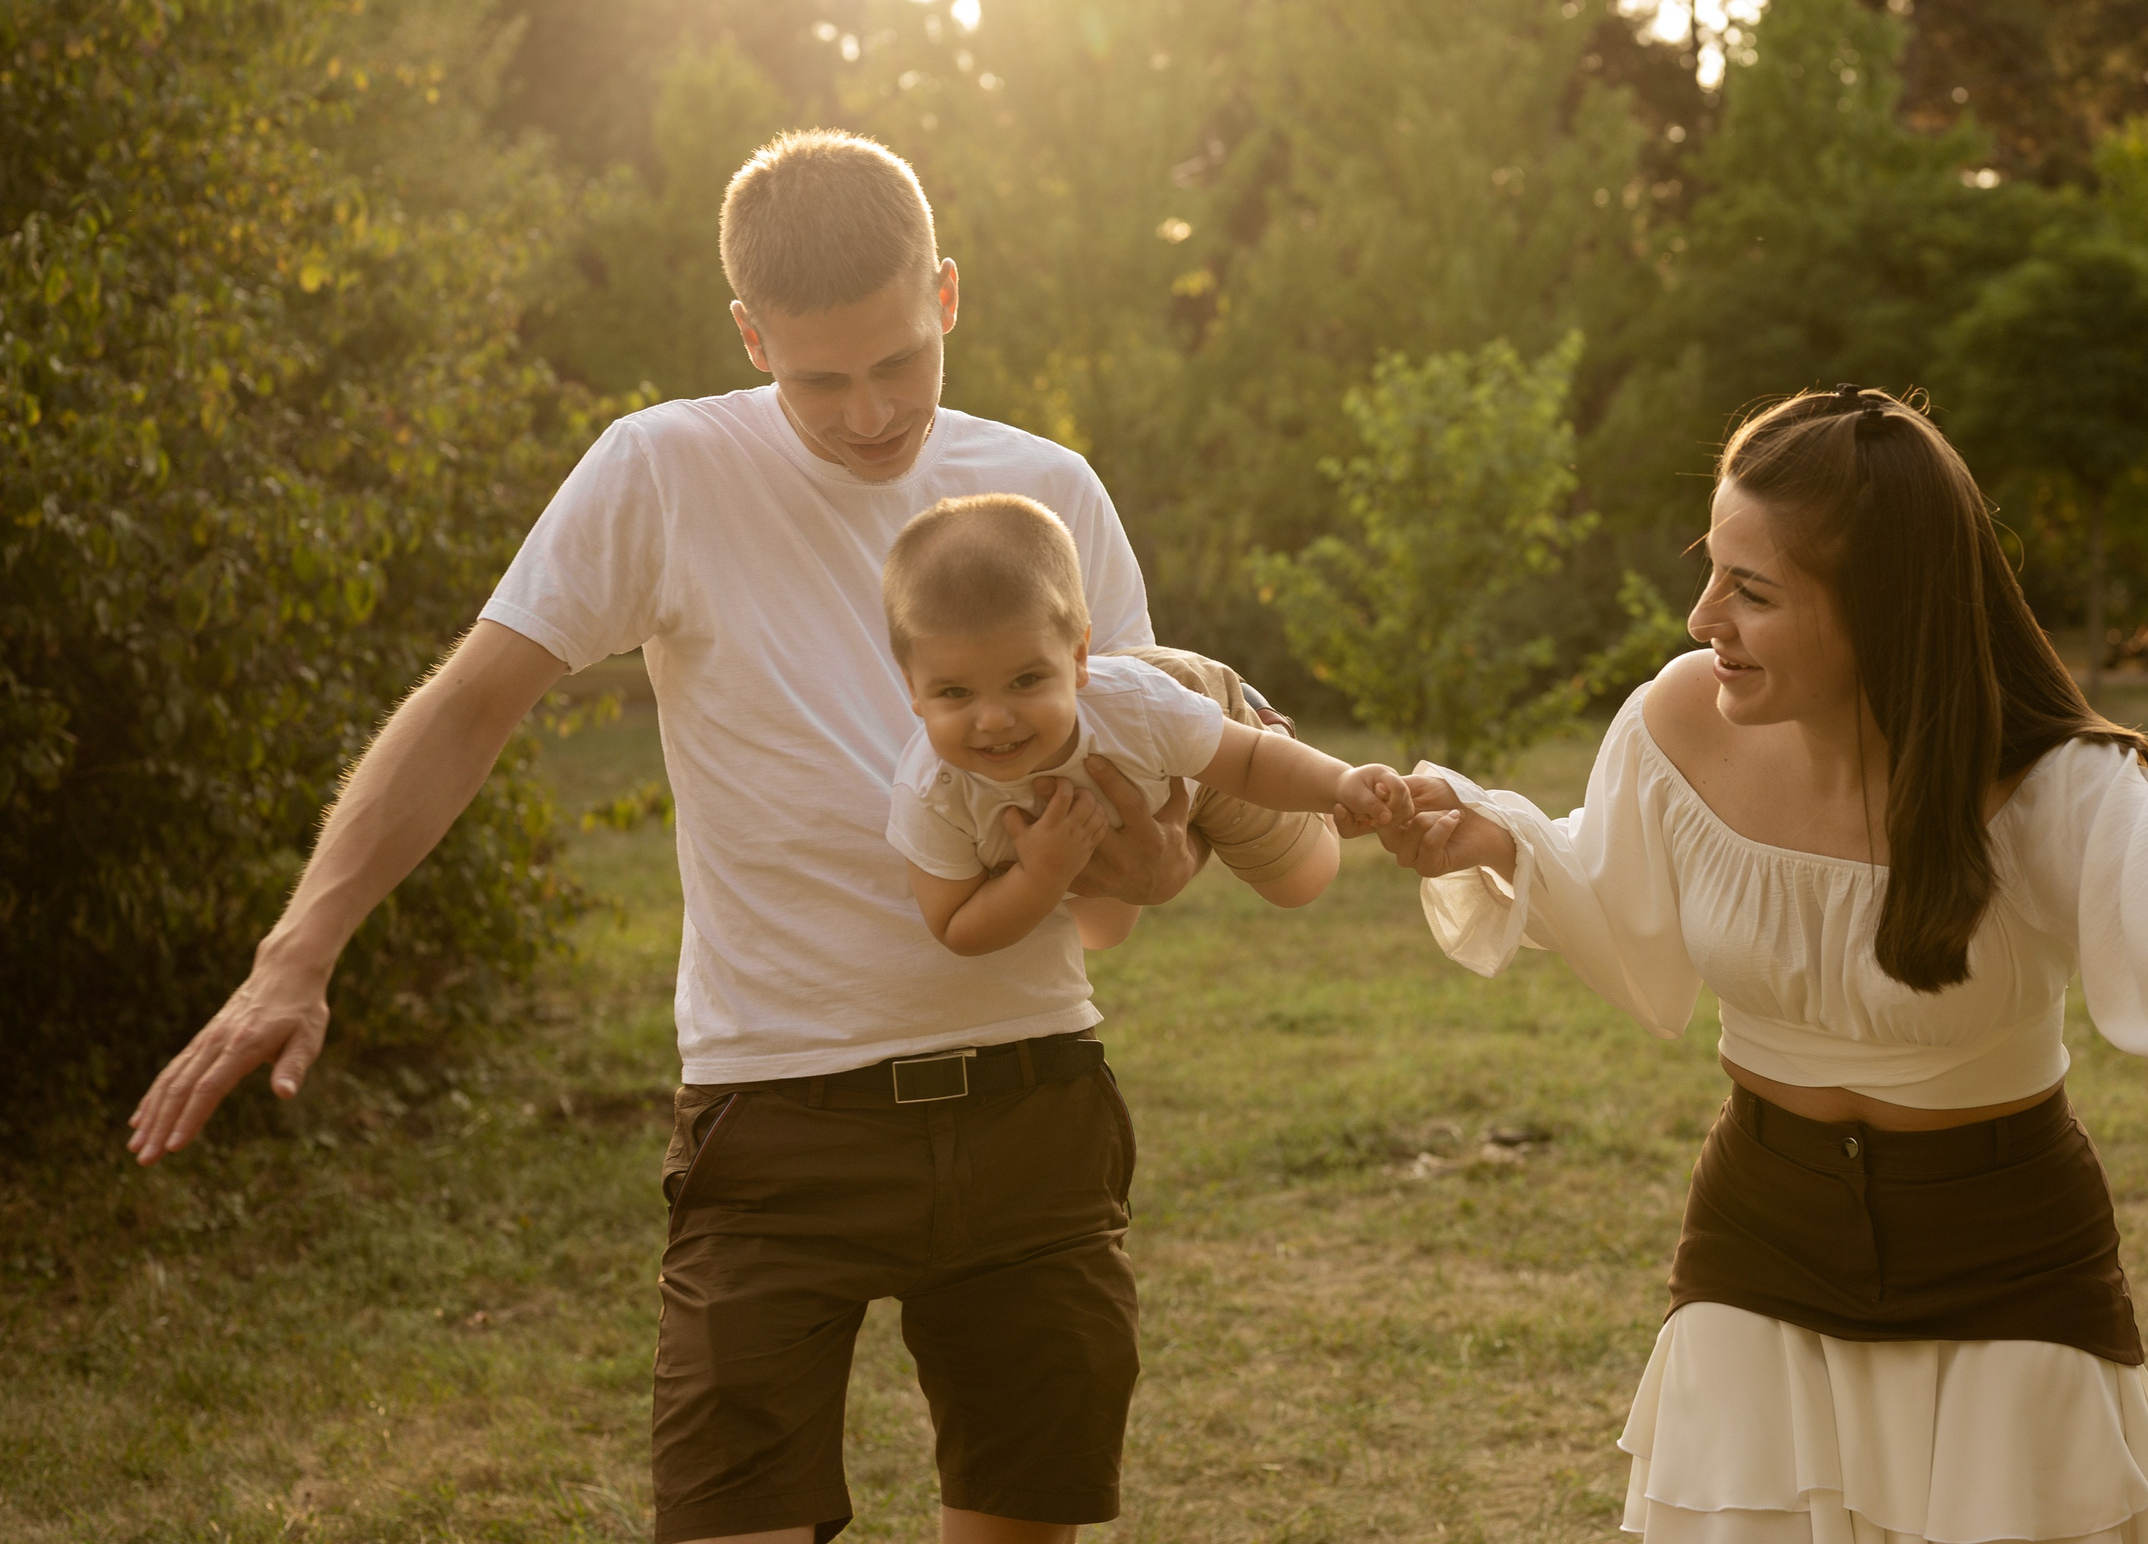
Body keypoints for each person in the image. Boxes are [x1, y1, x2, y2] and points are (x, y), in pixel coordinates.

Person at [122, 130, 1339, 1544]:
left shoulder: (1048, 491)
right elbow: (468, 708)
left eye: (899, 359)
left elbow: (1131, 871)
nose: (871, 413)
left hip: (1031, 1105)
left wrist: (1148, 855)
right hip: (776, 1119)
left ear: (946, 293)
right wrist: (295, 952)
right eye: (819, 378)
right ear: (751, 335)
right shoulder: (662, 468)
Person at [1379, 387, 2148, 1544]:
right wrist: (1499, 839)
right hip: (1758, 1241)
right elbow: (1611, 874)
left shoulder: (2046, 780)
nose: (1701, 615)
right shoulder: (1678, 720)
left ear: (1880, 606)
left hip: (2004, 1263)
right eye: (1710, 570)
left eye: (1752, 591)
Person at [882, 493, 1408, 956]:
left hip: (1177, 722)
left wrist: (1340, 781)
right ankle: (1184, 791)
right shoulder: (933, 791)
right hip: (1132, 791)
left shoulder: (1135, 705)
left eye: (1025, 681)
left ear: (1078, 656)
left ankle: (1252, 716)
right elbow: (955, 927)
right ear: (914, 689)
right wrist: (1041, 874)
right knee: (1102, 933)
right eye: (956, 693)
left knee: (1301, 882)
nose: (994, 719)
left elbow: (1249, 763)